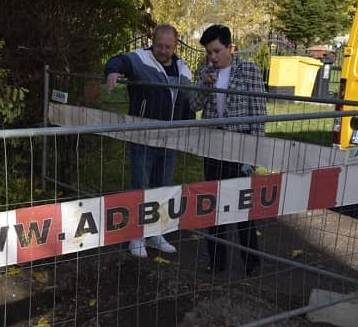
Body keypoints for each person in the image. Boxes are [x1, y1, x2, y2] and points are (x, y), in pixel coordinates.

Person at [105, 23, 193, 258]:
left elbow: (188, 100)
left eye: (167, 46)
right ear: (152, 42)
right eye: (159, 45)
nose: (163, 50)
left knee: (162, 188)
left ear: (175, 46)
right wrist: (112, 71)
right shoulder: (141, 59)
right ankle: (136, 236)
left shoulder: (183, 69)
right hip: (143, 137)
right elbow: (118, 61)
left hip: (170, 140)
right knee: (140, 187)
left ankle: (156, 233)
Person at [192, 24, 266, 275]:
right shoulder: (206, 72)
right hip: (213, 146)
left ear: (230, 48)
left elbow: (259, 114)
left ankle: (251, 262)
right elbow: (194, 104)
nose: (212, 57)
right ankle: (216, 261)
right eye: (208, 52)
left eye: (216, 51)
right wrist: (204, 85)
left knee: (241, 206)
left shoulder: (249, 71)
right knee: (213, 205)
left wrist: (253, 156)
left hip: (240, 145)